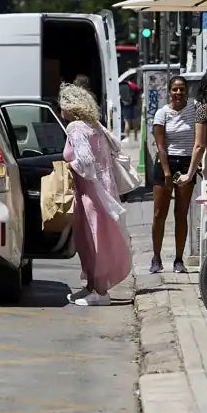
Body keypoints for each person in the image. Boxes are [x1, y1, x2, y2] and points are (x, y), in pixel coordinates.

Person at [59, 82, 131, 306]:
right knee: (96, 238)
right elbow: (114, 148)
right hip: (103, 190)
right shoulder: (95, 125)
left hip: (90, 193)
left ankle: (99, 291)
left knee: (92, 240)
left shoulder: (76, 128)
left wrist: (69, 167)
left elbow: (85, 161)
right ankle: (92, 287)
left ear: (70, 106)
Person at [149, 76, 198, 274]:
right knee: (159, 214)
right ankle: (156, 257)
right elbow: (160, 145)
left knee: (181, 213)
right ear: (169, 91)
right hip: (165, 163)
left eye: (182, 89)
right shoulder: (162, 114)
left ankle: (179, 259)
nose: (178, 93)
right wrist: (167, 173)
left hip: (186, 164)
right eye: (175, 90)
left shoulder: (194, 110)